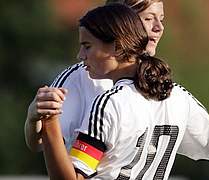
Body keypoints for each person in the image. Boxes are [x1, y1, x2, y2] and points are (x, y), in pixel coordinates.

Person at [39, 3, 209, 180]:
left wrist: (48, 125)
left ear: (118, 39)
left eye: (87, 46)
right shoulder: (174, 96)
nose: (80, 55)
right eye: (150, 17)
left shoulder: (108, 104)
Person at [25, 0, 165, 152]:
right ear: (118, 21)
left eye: (161, 19)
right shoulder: (79, 78)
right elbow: (40, 143)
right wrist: (33, 119)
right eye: (148, 19)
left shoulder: (162, 84)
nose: (159, 27)